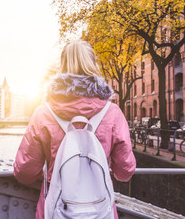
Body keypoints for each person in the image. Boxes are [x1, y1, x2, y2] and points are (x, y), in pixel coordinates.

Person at [13, 40, 136, 219]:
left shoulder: (43, 113)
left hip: (56, 210)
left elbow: (25, 173)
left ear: (62, 66)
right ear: (94, 65)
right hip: (100, 211)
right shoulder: (112, 113)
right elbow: (125, 172)